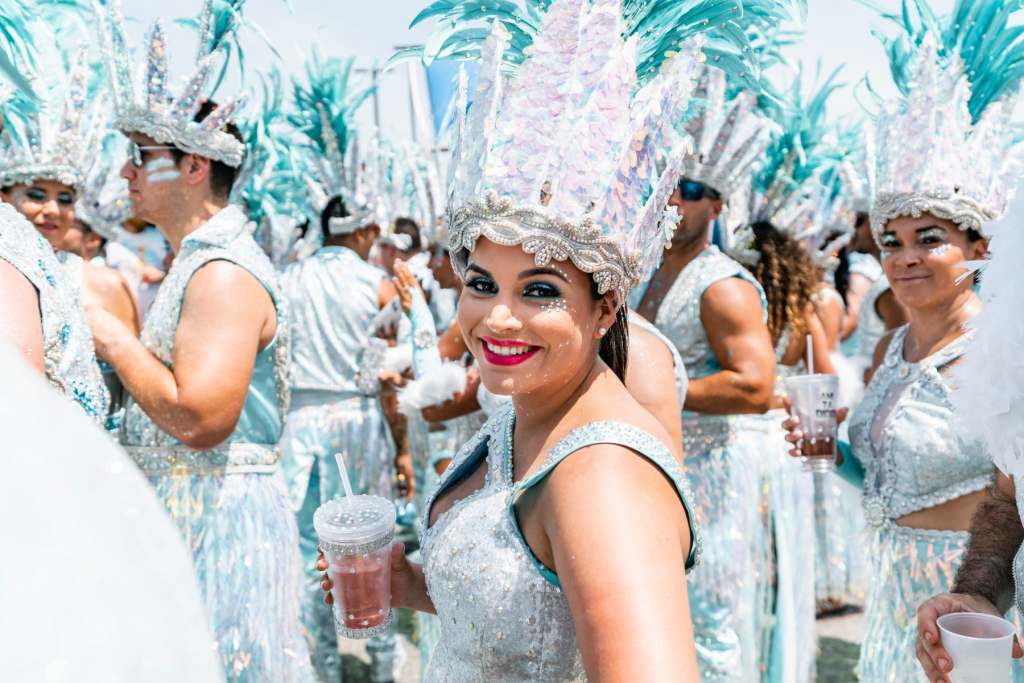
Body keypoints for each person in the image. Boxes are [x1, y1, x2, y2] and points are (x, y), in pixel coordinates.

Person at [319, 0, 744, 676]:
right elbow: (532, 616)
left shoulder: (603, 476)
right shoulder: (524, 413)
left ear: (605, 307)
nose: (499, 318)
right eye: (482, 282)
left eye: (540, 289)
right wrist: (410, 587)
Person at [783, 7, 1024, 678]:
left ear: (978, 247)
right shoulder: (893, 343)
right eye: (892, 240)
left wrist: (983, 593)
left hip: (968, 598)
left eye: (930, 239)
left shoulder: (999, 350)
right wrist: (831, 451)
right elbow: (890, 485)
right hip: (890, 592)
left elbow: (1012, 490)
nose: (905, 257)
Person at [88, 10, 314, 681]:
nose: (125, 174)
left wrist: (115, 341)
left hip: (217, 520)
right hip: (194, 509)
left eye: (140, 157)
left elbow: (202, 416)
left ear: (191, 166)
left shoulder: (219, 272)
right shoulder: (198, 259)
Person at [633, 71, 777, 679]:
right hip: (650, 462)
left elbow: (755, 386)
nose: (674, 201)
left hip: (712, 473)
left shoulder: (722, 287)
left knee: (711, 621)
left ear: (717, 204)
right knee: (653, 614)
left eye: (690, 189)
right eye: (666, 186)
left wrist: (661, 390)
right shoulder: (642, 272)